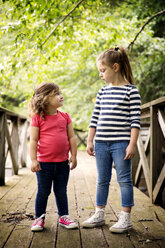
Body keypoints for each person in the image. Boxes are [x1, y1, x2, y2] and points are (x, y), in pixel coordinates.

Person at [82, 46, 141, 233]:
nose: (100, 74)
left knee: (124, 180)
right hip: (100, 143)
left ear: (115, 67)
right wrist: (90, 141)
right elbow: (95, 118)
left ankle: (125, 218)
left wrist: (132, 144)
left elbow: (135, 122)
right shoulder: (102, 92)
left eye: (103, 70)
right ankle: (99, 213)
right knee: (102, 180)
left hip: (121, 144)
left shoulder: (132, 92)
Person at [28, 82, 78, 231]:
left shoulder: (65, 117)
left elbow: (72, 137)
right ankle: (39, 218)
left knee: (61, 191)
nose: (61, 96)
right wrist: (33, 160)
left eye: (60, 93)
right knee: (43, 191)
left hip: (63, 163)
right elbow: (34, 140)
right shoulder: (37, 118)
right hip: (44, 164)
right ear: (44, 98)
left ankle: (64, 216)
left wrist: (74, 156)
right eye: (56, 94)